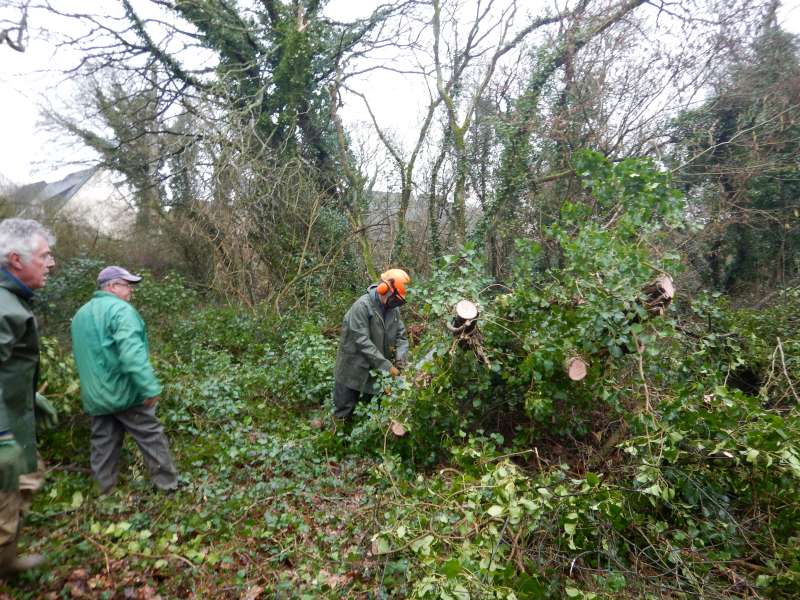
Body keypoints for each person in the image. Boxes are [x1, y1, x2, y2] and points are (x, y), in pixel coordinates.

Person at [71, 266, 178, 494]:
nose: (130, 291)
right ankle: (168, 487)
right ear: (111, 286)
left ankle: (104, 494)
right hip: (125, 393)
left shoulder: (80, 315)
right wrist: (149, 387)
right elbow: (131, 354)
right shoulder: (121, 311)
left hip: (96, 397)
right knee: (151, 437)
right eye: (126, 285)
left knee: (103, 445)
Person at [0, 218, 58, 576]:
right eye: (44, 256)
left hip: (14, 420)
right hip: (5, 434)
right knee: (5, 501)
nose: (51, 264)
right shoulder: (3, 306)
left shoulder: (12, 301)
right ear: (16, 260)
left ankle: (4, 564)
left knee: (27, 480)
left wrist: (29, 398)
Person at [333, 268, 410, 419]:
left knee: (372, 414)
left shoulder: (393, 311)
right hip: (352, 368)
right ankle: (337, 438)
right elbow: (363, 342)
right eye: (395, 299)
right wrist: (388, 367)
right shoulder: (362, 306)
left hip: (375, 371)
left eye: (399, 302)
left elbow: (401, 337)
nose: (396, 304)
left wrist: (401, 360)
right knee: (344, 412)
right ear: (384, 289)